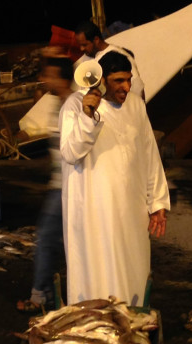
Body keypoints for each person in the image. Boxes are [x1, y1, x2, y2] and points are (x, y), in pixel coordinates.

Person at [60, 51, 170, 307]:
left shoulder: (136, 105)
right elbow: (71, 153)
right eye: (119, 81)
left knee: (133, 266)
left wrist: (157, 202)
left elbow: (149, 154)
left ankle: (132, 319)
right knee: (97, 269)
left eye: (129, 80)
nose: (126, 87)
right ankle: (96, 320)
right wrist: (88, 115)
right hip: (93, 212)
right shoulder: (75, 106)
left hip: (131, 209)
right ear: (101, 80)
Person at [17, 53, 74, 313]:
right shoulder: (58, 104)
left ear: (62, 79)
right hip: (59, 185)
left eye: (49, 75)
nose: (44, 79)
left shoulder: (73, 106)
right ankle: (49, 292)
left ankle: (41, 295)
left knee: (47, 239)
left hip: (66, 188)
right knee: (53, 240)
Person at [74, 20, 145, 100]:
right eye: (80, 45)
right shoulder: (86, 58)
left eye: (84, 45)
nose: (82, 49)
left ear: (96, 40)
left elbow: (137, 87)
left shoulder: (119, 55)